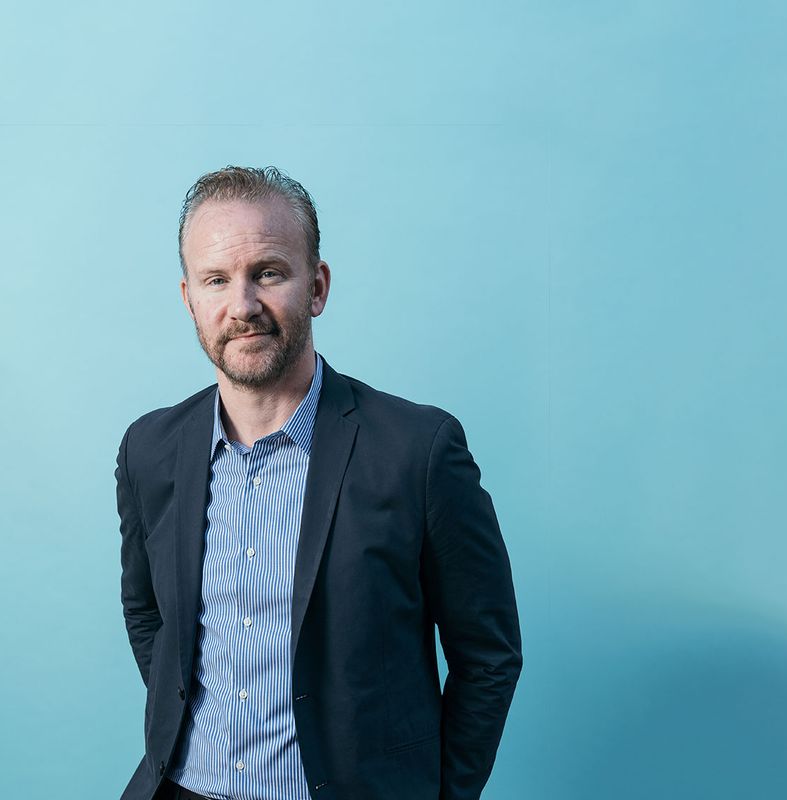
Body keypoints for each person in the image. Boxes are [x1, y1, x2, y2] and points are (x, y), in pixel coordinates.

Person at [115, 166, 522, 800]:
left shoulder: (419, 452)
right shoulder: (150, 450)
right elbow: (149, 615)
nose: (243, 306)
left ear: (317, 286)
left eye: (269, 273)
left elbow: (488, 656)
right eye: (217, 280)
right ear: (189, 297)